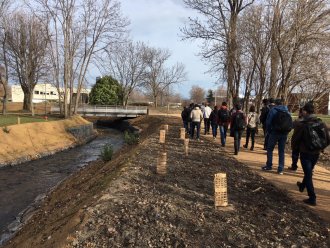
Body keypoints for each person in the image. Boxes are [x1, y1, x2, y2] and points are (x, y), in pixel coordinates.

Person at [291, 103, 330, 206]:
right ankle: (302, 186)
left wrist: (294, 147)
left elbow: (295, 138)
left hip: (305, 152)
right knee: (308, 172)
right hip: (316, 153)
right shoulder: (321, 123)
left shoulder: (301, 123)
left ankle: (312, 198)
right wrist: (321, 147)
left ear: (305, 112)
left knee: (308, 174)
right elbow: (327, 138)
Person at [262, 99, 293, 174]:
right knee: (281, 151)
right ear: (282, 104)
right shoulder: (287, 111)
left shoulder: (273, 111)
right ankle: (280, 169)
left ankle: (269, 166)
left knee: (270, 149)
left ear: (275, 104)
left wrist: (269, 131)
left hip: (274, 132)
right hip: (284, 134)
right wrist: (287, 132)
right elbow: (291, 123)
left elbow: (268, 122)